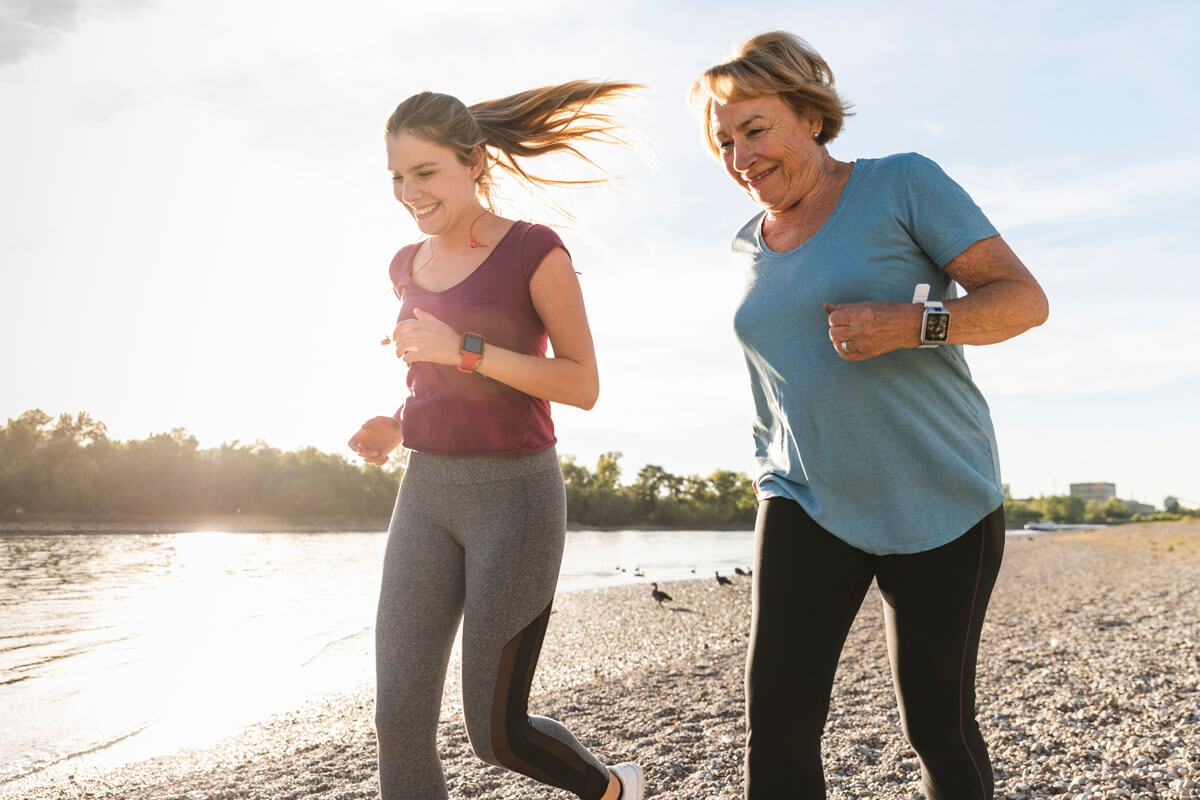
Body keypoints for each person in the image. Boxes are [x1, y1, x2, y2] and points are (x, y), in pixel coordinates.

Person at [689, 32, 1049, 800]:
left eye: (755, 130)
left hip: (941, 496)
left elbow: (1022, 300)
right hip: (804, 496)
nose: (740, 157)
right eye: (723, 142)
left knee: (938, 727)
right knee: (778, 720)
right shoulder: (744, 246)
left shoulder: (902, 184)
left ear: (811, 119)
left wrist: (911, 324)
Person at [348, 83, 645, 800]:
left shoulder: (534, 251)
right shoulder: (403, 266)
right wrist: (396, 421)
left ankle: (612, 791)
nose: (408, 191)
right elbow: (434, 382)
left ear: (473, 161)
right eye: (396, 175)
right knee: (399, 717)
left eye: (425, 172)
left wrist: (466, 351)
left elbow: (581, 384)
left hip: (514, 496)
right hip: (425, 495)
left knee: (496, 733)